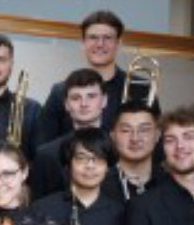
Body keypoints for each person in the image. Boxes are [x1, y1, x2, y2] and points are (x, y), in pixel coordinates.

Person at [33, 11, 126, 147]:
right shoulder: (60, 91)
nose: (100, 44)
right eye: (93, 37)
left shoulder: (140, 88)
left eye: (107, 38)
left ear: (119, 43)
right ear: (82, 43)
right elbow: (44, 145)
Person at [30, 70, 109, 199]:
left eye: (91, 96)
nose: (84, 104)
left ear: (104, 100)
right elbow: (39, 207)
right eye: (76, 98)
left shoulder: (120, 148)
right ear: (66, 104)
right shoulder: (46, 155)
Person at [111, 98, 165, 201]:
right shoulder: (98, 184)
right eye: (126, 130)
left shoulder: (171, 183)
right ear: (113, 136)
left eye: (144, 130)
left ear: (157, 135)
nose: (135, 138)